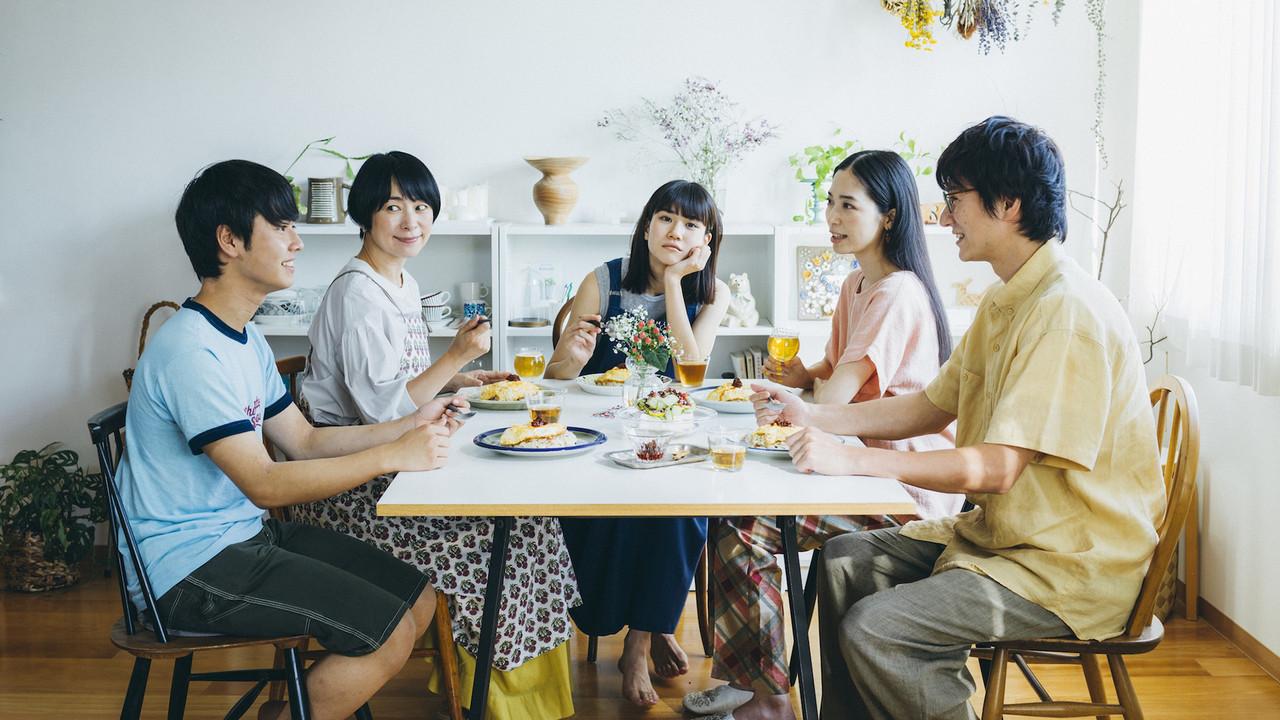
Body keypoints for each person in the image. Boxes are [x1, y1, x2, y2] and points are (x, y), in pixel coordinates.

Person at [751, 117, 1166, 720]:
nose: (943, 219)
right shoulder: (1007, 298)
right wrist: (815, 416)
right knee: (845, 562)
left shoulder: (1063, 313)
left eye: (954, 200)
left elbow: (996, 469)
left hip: (1066, 564)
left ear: (1007, 203)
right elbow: (929, 405)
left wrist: (852, 455)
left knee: (880, 628)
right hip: (1006, 538)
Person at [118, 159, 462, 720]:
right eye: (281, 227)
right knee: (388, 630)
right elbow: (264, 484)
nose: (297, 242)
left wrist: (411, 424)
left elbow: (302, 440)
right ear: (228, 241)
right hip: (185, 571)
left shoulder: (243, 339)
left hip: (240, 538)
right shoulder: (191, 352)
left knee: (418, 595)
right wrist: (392, 456)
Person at [295, 151, 581, 720]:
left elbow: (402, 387)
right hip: (351, 483)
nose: (411, 221)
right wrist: (453, 354)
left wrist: (461, 376)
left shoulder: (398, 281)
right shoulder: (356, 293)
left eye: (421, 207)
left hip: (393, 457)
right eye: (393, 207)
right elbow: (379, 412)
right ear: (365, 214)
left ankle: (518, 695)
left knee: (528, 517)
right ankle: (496, 700)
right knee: (503, 533)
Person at [683, 151, 963, 720]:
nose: (831, 217)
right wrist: (803, 377)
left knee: (742, 527)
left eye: (847, 205)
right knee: (736, 515)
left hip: (905, 493)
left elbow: (833, 401)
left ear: (889, 216)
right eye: (829, 203)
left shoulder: (895, 292)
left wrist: (805, 398)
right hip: (859, 466)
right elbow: (834, 378)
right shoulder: (859, 283)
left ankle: (768, 699)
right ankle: (755, 681)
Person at [545, 179, 731, 706]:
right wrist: (575, 357)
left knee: (679, 508)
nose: (677, 231)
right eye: (666, 218)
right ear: (646, 225)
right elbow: (557, 374)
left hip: (672, 429)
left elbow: (690, 373)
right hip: (601, 431)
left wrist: (674, 284)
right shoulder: (602, 281)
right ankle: (649, 622)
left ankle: (640, 641)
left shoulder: (712, 292)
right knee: (618, 506)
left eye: (692, 224)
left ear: (708, 238)